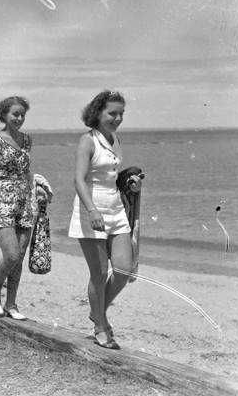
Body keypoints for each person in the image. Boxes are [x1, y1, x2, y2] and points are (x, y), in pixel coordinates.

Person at [68, 90, 142, 350]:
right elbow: (79, 179)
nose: (117, 118)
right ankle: (100, 324)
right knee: (99, 274)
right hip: (91, 210)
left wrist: (129, 184)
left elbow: (112, 176)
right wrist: (92, 211)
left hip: (116, 209)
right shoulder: (87, 141)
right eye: (112, 113)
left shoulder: (114, 138)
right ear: (98, 113)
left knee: (123, 269)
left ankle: (97, 312)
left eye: (121, 113)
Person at [0, 96, 35, 320]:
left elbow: (27, 172)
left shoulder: (28, 140)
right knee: (11, 255)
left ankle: (11, 303)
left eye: (23, 114)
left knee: (19, 257)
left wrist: (38, 190)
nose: (20, 118)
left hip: (24, 202)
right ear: (4, 115)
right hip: (2, 199)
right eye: (15, 114)